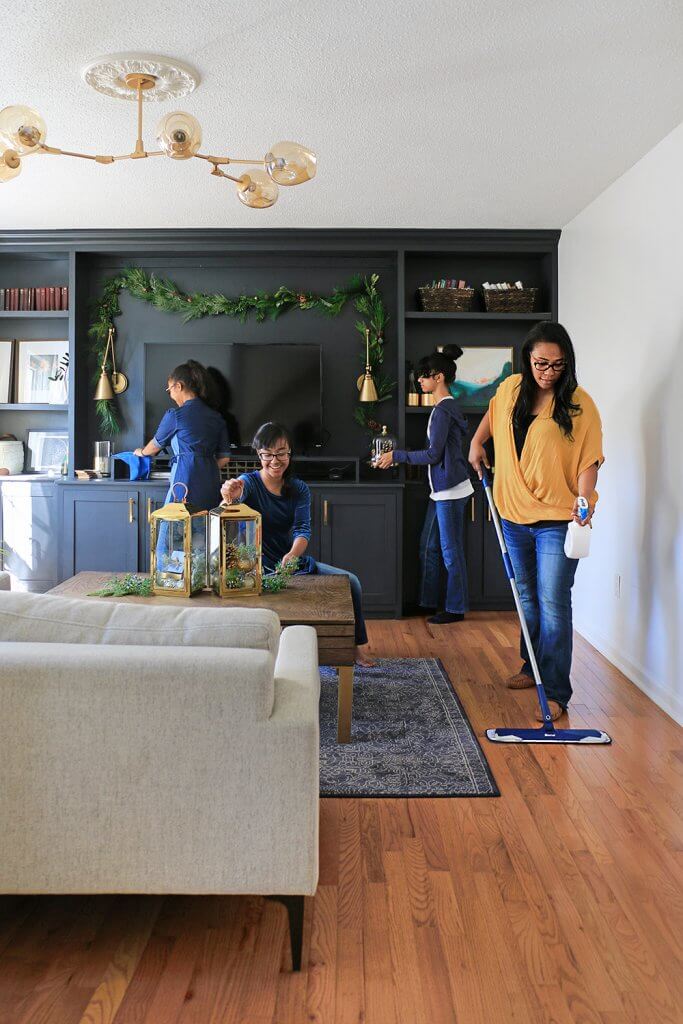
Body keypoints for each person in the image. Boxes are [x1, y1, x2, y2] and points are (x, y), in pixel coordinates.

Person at [468, 321, 604, 721]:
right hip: (511, 511)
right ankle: (532, 667)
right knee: (527, 597)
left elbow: (589, 459)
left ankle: (558, 691)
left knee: (553, 601)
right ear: (527, 359)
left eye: (557, 365)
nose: (548, 372)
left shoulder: (579, 404)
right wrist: (477, 442)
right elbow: (493, 416)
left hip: (556, 519)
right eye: (541, 363)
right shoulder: (511, 389)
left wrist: (584, 501)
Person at [220, 421, 374, 666]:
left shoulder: (299, 488)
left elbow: (303, 530)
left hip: (292, 562)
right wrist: (229, 491)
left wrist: (292, 555)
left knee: (351, 582)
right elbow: (233, 495)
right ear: (259, 454)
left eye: (282, 453)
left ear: (290, 452)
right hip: (257, 569)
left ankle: (354, 648)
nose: (275, 460)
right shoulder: (248, 483)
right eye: (268, 454)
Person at [375, 347, 472, 624]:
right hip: (440, 491)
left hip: (450, 492)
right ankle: (428, 602)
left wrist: (397, 455)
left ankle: (455, 608)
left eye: (424, 376)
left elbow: (433, 455)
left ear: (439, 377)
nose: (419, 381)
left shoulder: (443, 411)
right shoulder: (443, 408)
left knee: (451, 553)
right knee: (428, 547)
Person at [135, 359, 229, 511]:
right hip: (210, 481)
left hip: (184, 478)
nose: (170, 395)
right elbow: (225, 457)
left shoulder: (176, 415)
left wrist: (141, 452)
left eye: (169, 390)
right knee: (204, 527)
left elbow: (154, 446)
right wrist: (204, 468)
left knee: (173, 527)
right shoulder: (217, 417)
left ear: (178, 386)